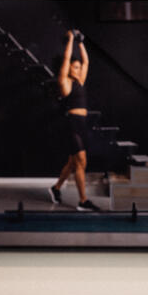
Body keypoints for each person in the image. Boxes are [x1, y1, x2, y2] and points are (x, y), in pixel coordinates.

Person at [49, 29, 100, 211]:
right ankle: (83, 201)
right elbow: (66, 59)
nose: (78, 69)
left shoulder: (80, 81)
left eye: (78, 67)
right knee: (81, 162)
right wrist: (71, 39)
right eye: (74, 67)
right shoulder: (66, 82)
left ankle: (55, 188)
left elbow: (86, 61)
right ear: (69, 68)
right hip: (71, 124)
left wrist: (80, 41)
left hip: (83, 124)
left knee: (72, 163)